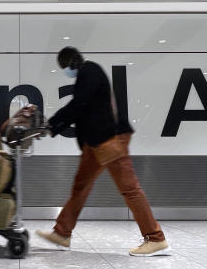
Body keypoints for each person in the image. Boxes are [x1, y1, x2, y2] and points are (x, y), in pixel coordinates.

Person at [35, 47, 170, 257]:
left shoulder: (90, 71)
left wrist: (51, 125)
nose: (66, 72)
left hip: (109, 140)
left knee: (130, 189)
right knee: (80, 188)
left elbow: (79, 104)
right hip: (96, 143)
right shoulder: (88, 73)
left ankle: (155, 238)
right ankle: (62, 233)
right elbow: (83, 109)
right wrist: (51, 126)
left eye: (65, 67)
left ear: (71, 62)